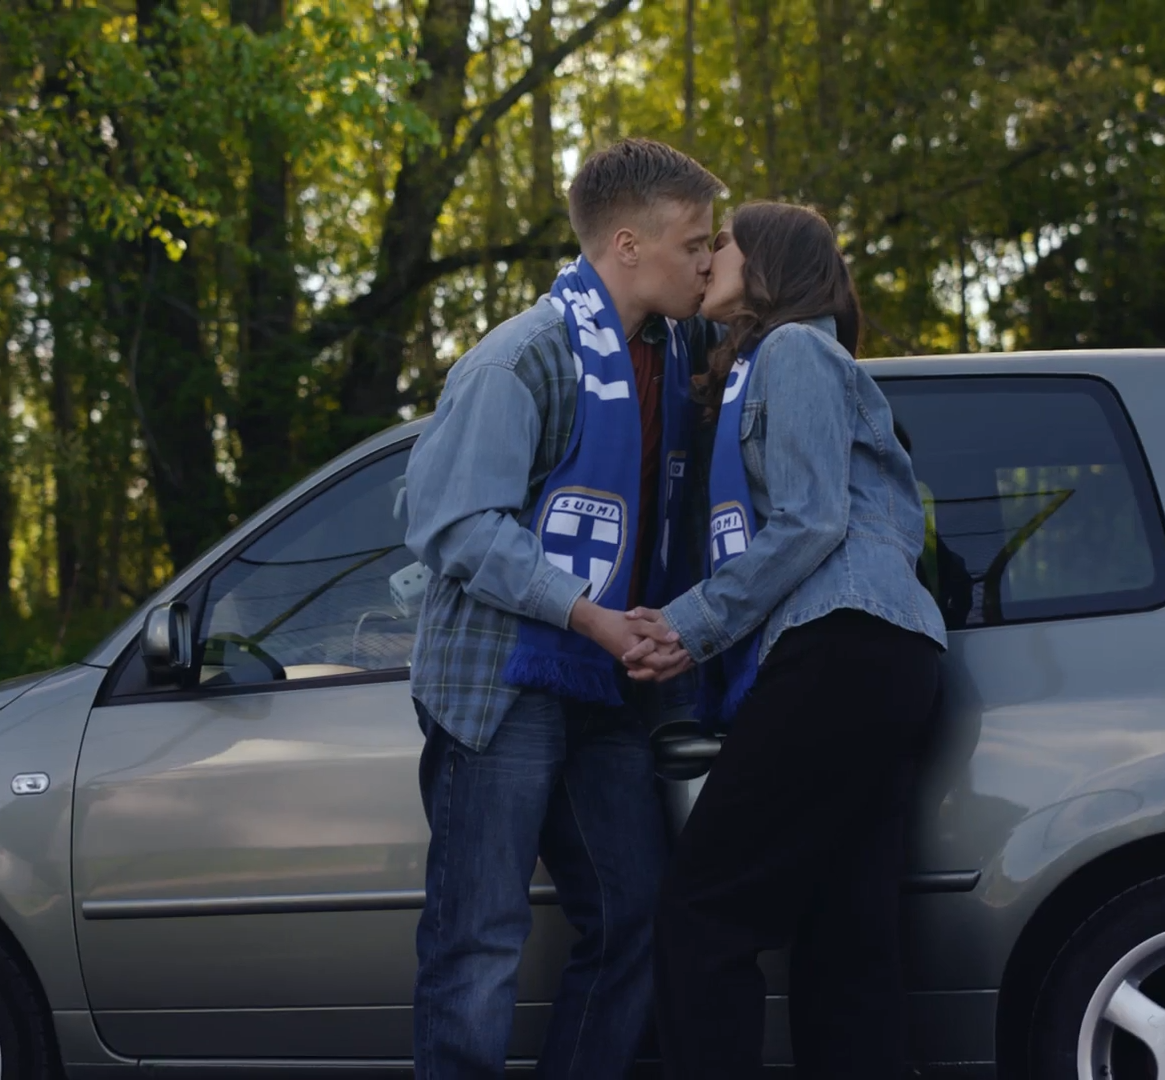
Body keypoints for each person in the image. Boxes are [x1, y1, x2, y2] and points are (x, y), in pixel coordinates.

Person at [401, 137, 724, 1079]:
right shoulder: (523, 359)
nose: (709, 260)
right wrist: (588, 614)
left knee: (637, 917)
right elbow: (454, 523)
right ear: (627, 247)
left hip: (608, 688)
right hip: (504, 683)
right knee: (479, 939)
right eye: (695, 243)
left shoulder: (678, 350)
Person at [623, 201, 950, 1078]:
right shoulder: (755, 370)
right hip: (880, 655)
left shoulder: (796, 350)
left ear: (766, 262)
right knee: (845, 935)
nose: (707, 258)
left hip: (842, 645)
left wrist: (688, 628)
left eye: (720, 242)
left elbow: (807, 520)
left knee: (702, 911)